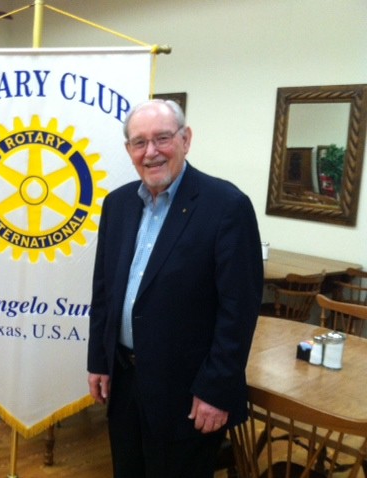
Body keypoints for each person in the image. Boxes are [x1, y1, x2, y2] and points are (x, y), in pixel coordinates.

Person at [87, 99, 264, 478]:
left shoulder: (227, 206)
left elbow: (239, 311)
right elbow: (104, 292)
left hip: (189, 395)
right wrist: (99, 360)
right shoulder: (117, 205)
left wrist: (216, 390)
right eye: (139, 142)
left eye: (162, 138)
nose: (151, 152)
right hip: (125, 381)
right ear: (129, 150)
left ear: (185, 139)